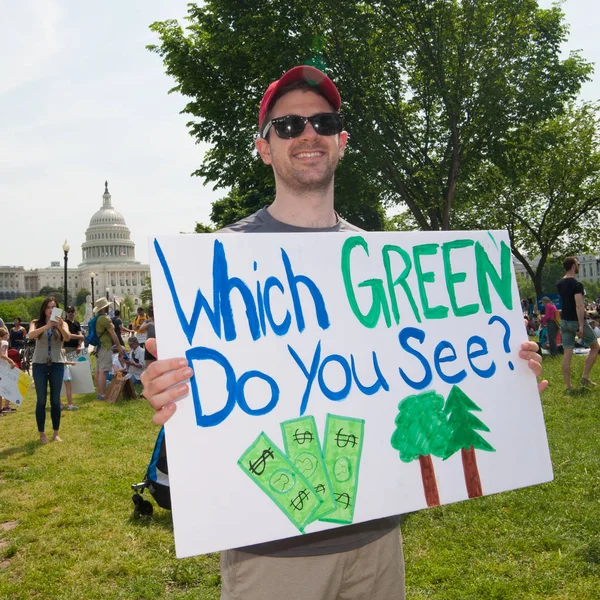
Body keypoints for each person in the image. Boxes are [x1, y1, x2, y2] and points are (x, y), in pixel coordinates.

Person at [141, 65, 547, 600]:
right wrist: (166, 388)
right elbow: (204, 410)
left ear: (341, 141)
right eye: (287, 127)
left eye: (323, 122)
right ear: (264, 148)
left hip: (379, 541)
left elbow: (420, 372)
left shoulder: (384, 263)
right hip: (273, 554)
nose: (307, 134)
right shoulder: (217, 263)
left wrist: (506, 375)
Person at [28, 296, 71, 443]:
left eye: (53, 307)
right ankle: (42, 434)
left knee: (55, 399)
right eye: (48, 307)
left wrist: (58, 326)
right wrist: (47, 326)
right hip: (39, 364)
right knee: (41, 400)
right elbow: (31, 335)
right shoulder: (36, 322)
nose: (51, 310)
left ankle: (55, 433)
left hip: (57, 363)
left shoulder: (62, 323)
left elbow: (67, 337)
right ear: (44, 309)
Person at [557, 256, 600, 391]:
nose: (579, 265)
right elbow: (579, 306)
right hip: (575, 321)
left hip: (564, 321)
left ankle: (567, 386)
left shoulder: (559, 284)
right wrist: (581, 325)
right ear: (573, 266)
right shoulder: (577, 285)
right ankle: (585, 377)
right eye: (578, 263)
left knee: (567, 353)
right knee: (595, 346)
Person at [93, 298, 124, 400]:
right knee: (104, 371)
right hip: (105, 347)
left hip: (98, 347)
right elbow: (113, 333)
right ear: (104, 307)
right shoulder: (105, 319)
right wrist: (119, 347)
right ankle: (103, 394)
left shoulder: (97, 318)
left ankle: (99, 392)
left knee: (98, 371)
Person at [62, 306, 84, 410]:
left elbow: (80, 335)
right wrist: (80, 337)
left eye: (72, 311)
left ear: (75, 313)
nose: (70, 313)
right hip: (65, 349)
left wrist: (79, 345)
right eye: (68, 311)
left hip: (75, 349)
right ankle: (64, 399)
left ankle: (74, 392)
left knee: (73, 373)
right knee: (65, 374)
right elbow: (68, 336)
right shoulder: (64, 323)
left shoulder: (77, 323)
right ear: (66, 313)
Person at [0, 326, 18, 413]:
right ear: (5, 335)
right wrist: (11, 361)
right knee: (9, 385)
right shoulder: (5, 342)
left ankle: (4, 407)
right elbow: (2, 354)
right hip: (4, 367)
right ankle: (5, 406)